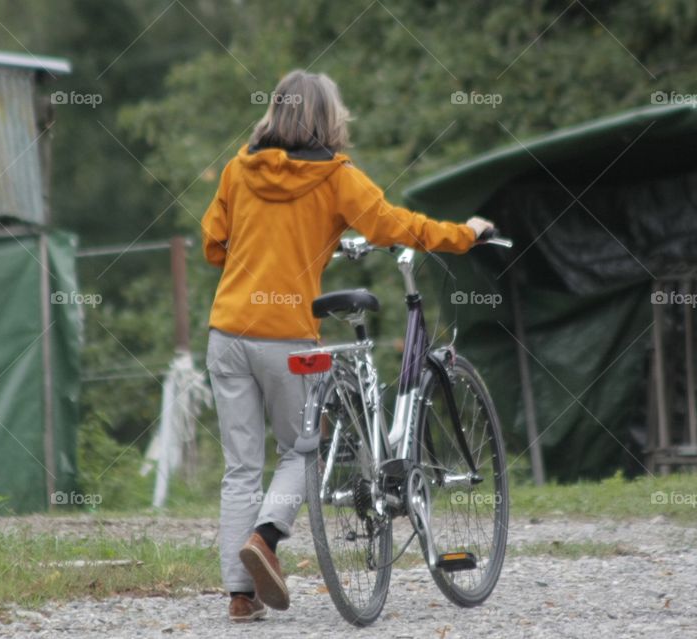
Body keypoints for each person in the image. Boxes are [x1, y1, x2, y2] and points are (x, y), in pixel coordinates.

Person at [201, 69, 493, 623]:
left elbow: (214, 245)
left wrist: (266, 246)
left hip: (228, 334)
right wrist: (464, 234)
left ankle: (241, 597)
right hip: (287, 336)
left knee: (240, 467)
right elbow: (393, 227)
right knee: (301, 451)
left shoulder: (239, 169)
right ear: (327, 119)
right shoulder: (337, 177)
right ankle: (265, 538)